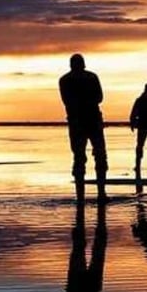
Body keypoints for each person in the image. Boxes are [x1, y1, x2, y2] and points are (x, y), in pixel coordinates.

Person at [59, 53, 108, 197]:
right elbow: (98, 97)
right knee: (93, 156)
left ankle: (93, 194)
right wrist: (86, 103)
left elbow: (99, 97)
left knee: (86, 157)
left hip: (82, 122)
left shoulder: (66, 80)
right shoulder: (88, 77)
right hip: (84, 122)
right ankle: (97, 193)